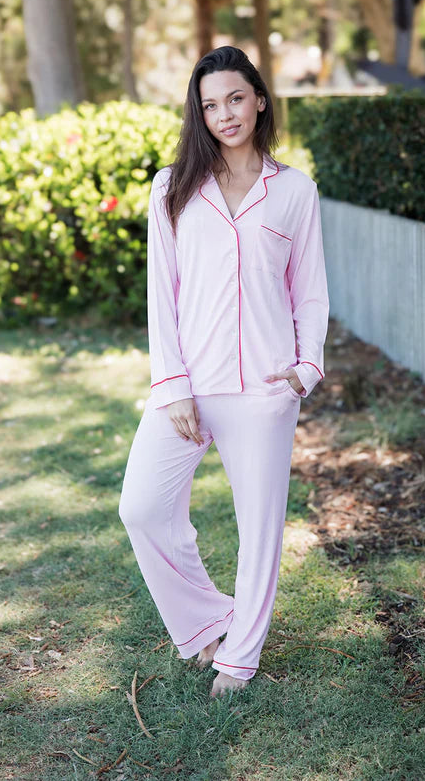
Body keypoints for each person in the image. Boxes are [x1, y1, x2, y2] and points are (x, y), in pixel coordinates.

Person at [119, 45, 329, 698]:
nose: (225, 114)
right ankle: (208, 621)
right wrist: (172, 383)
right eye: (210, 104)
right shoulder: (172, 187)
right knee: (143, 508)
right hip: (190, 384)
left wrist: (305, 369)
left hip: (267, 389)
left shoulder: (294, 191)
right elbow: (164, 292)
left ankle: (239, 658)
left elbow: (310, 291)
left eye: (236, 98)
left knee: (260, 529)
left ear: (260, 99)